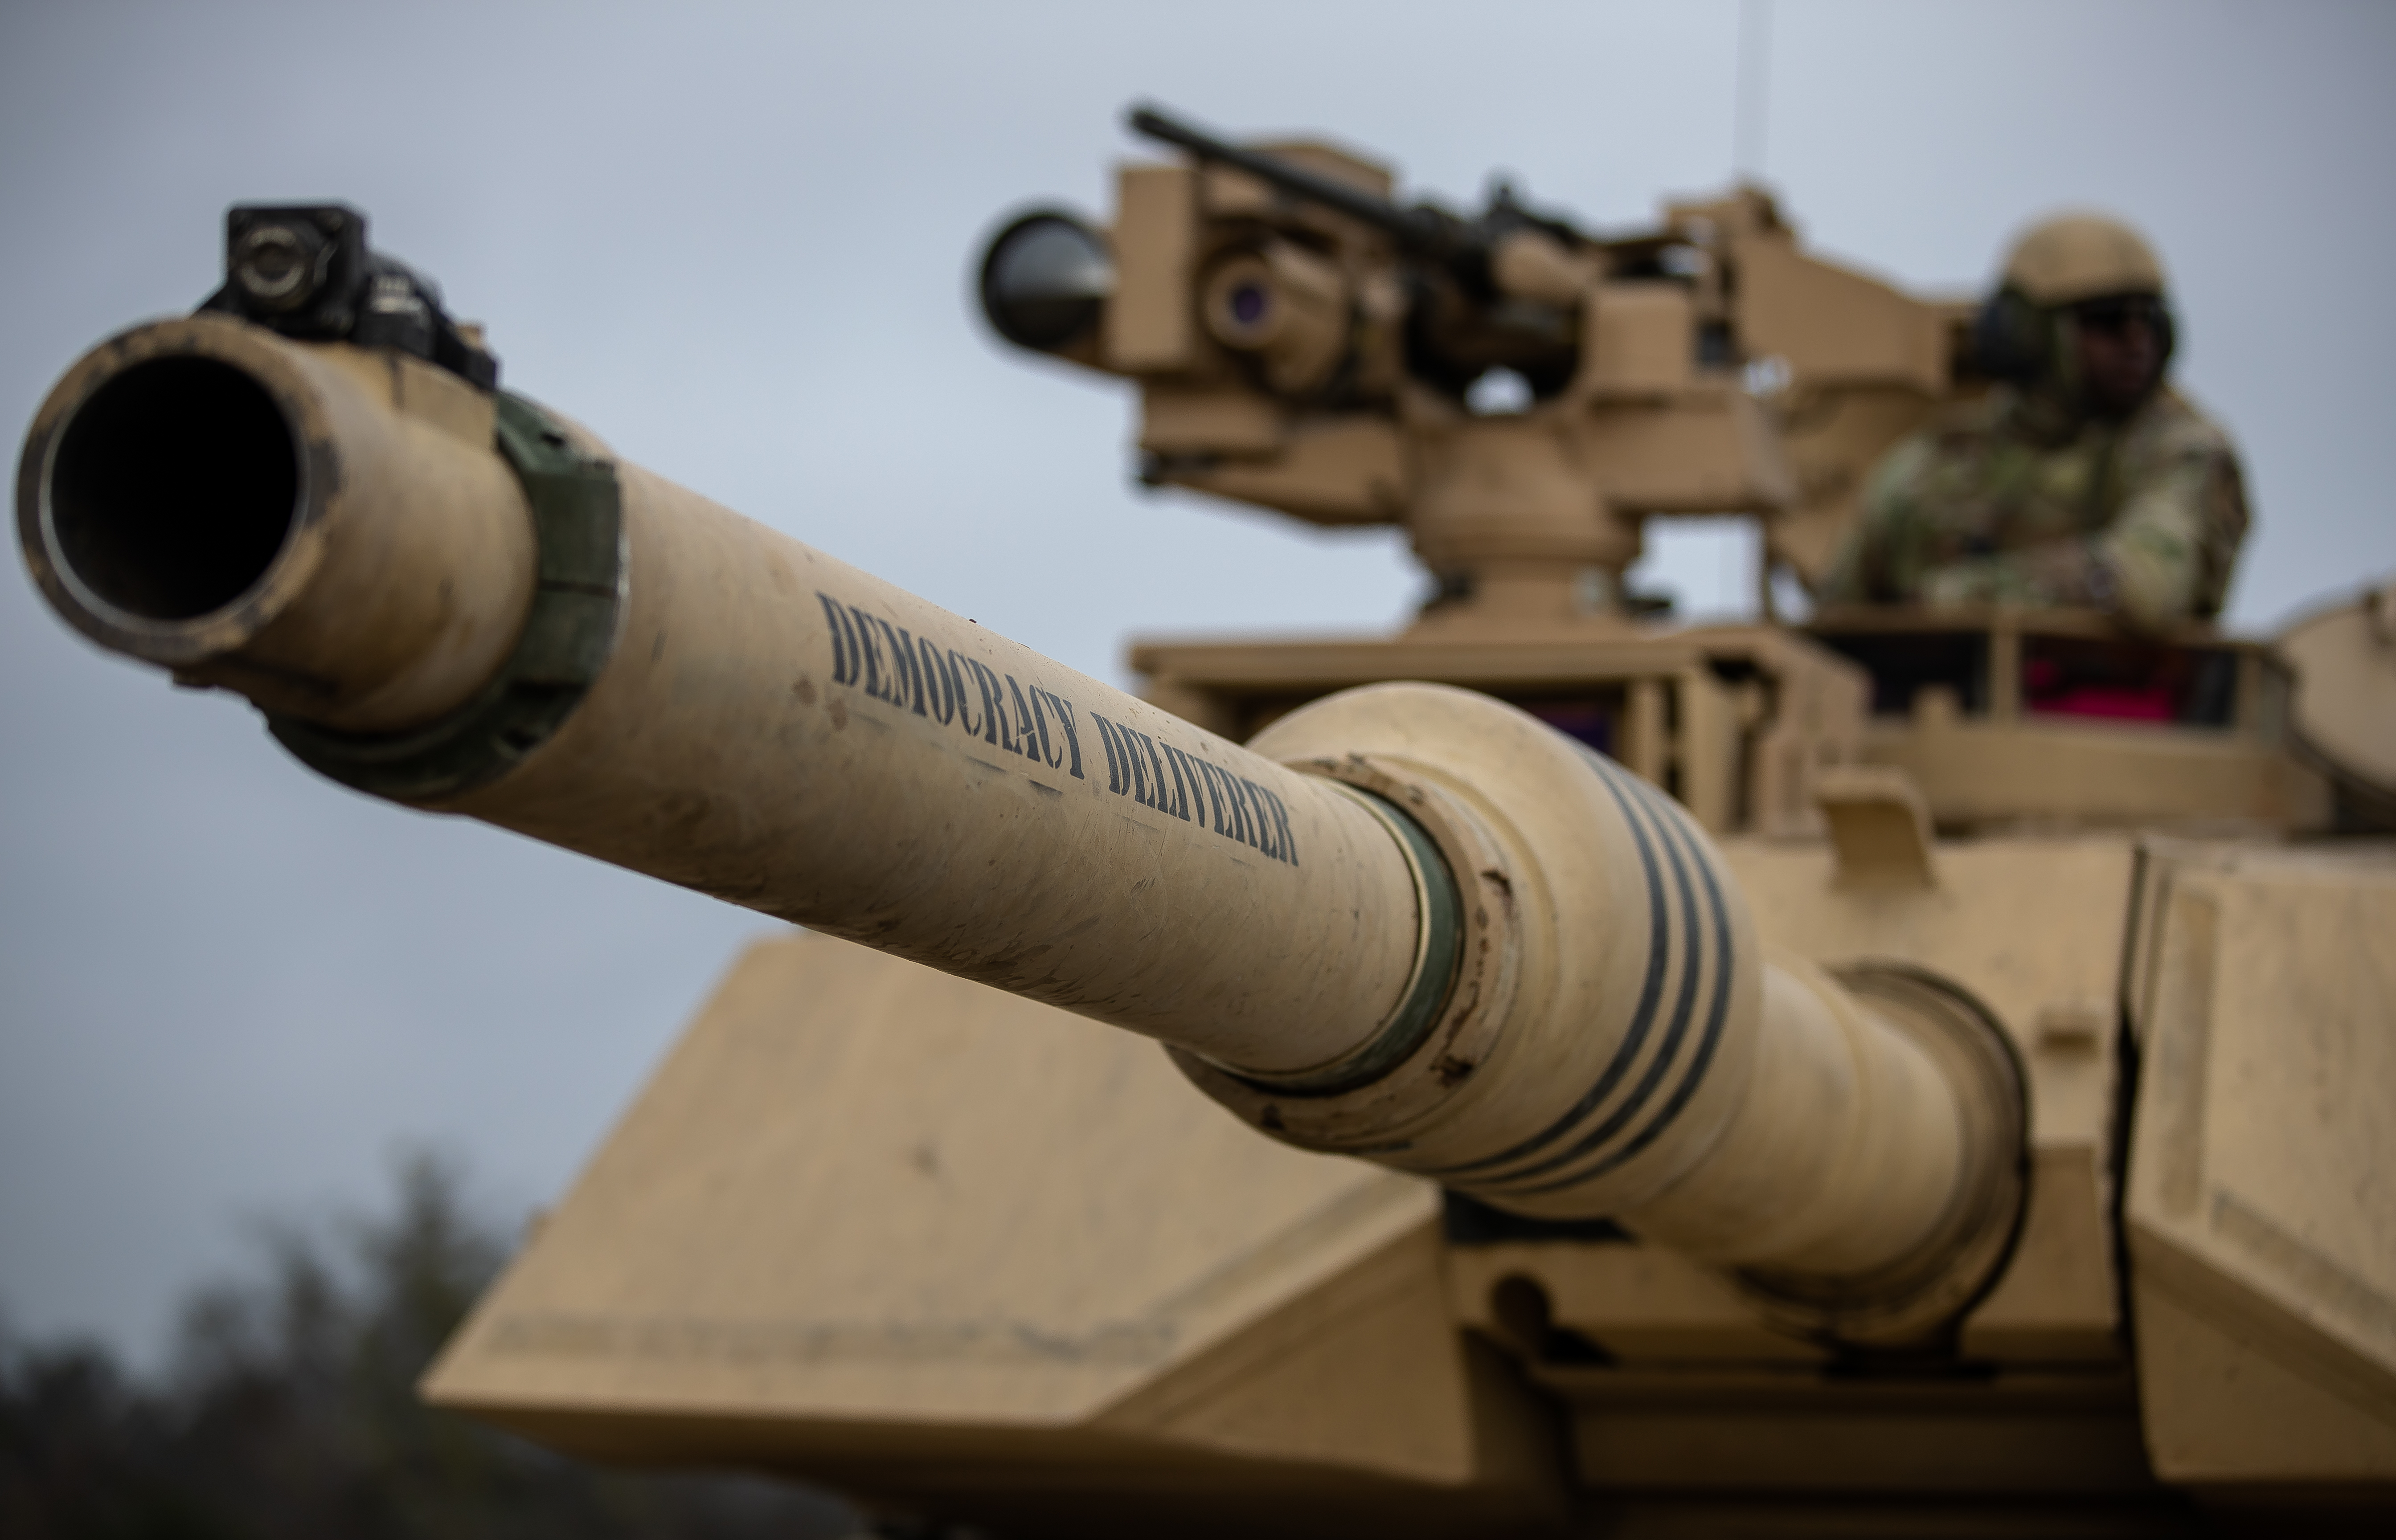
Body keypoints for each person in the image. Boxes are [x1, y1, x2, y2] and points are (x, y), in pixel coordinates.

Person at [1819, 214, 2249, 631]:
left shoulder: (2178, 449)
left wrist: (1959, 598)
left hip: (2116, 696)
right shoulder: (1934, 464)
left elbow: (2145, 585)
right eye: (2106, 320)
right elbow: (1838, 614)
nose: (2136, 341)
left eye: (2150, 320)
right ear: (2027, 333)